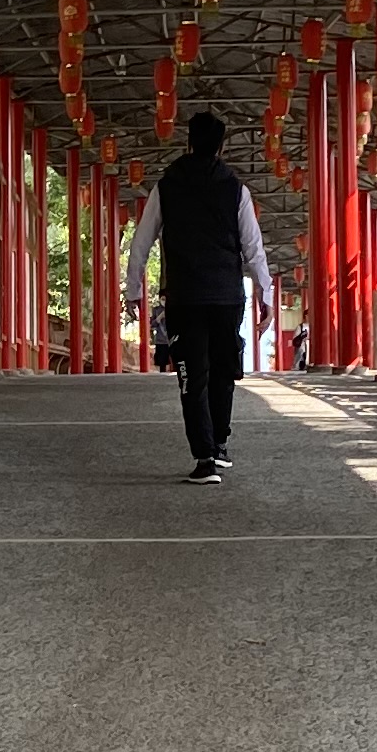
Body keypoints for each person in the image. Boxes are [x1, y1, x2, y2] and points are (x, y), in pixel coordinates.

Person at [127, 110, 274, 481]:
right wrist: (265, 294)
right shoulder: (236, 189)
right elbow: (253, 247)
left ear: (188, 143)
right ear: (221, 147)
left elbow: (141, 242)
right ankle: (220, 444)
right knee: (223, 372)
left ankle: (205, 458)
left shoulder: (167, 186)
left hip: (186, 297)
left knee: (192, 378)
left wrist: (133, 290)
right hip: (227, 296)